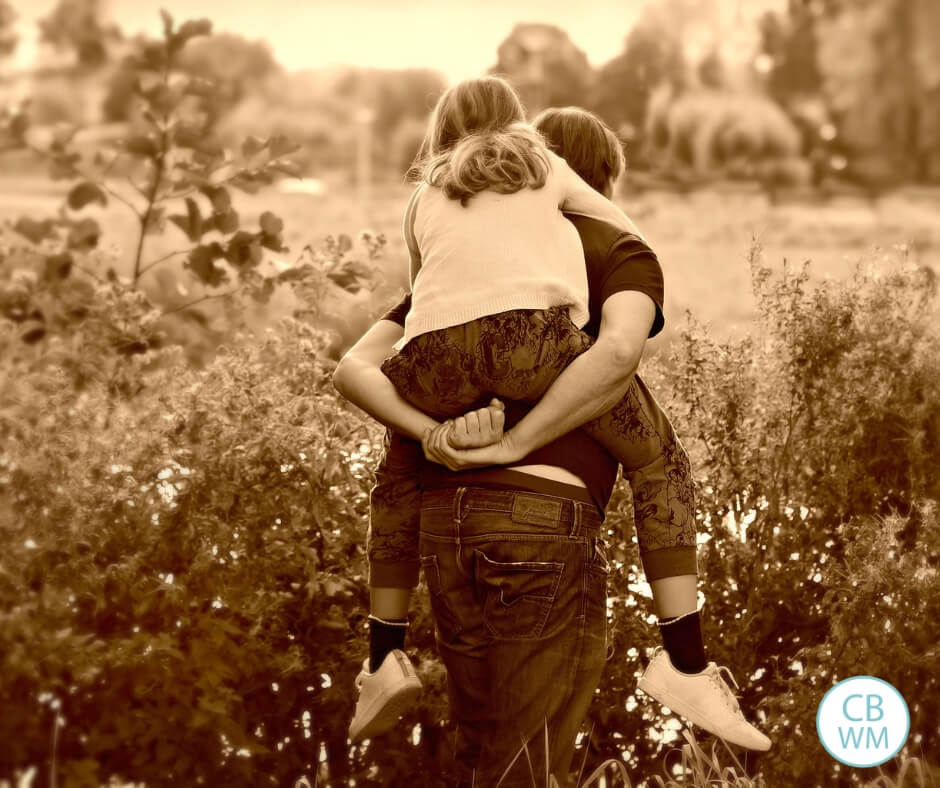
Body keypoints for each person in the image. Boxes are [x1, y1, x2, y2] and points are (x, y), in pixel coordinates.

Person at [332, 85, 770, 778]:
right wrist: (521, 439)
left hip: (448, 528)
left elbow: (363, 363)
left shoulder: (444, 231)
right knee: (662, 461)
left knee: (482, 755)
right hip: (543, 525)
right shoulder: (615, 248)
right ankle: (685, 659)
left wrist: (434, 434)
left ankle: (382, 655)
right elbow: (618, 352)